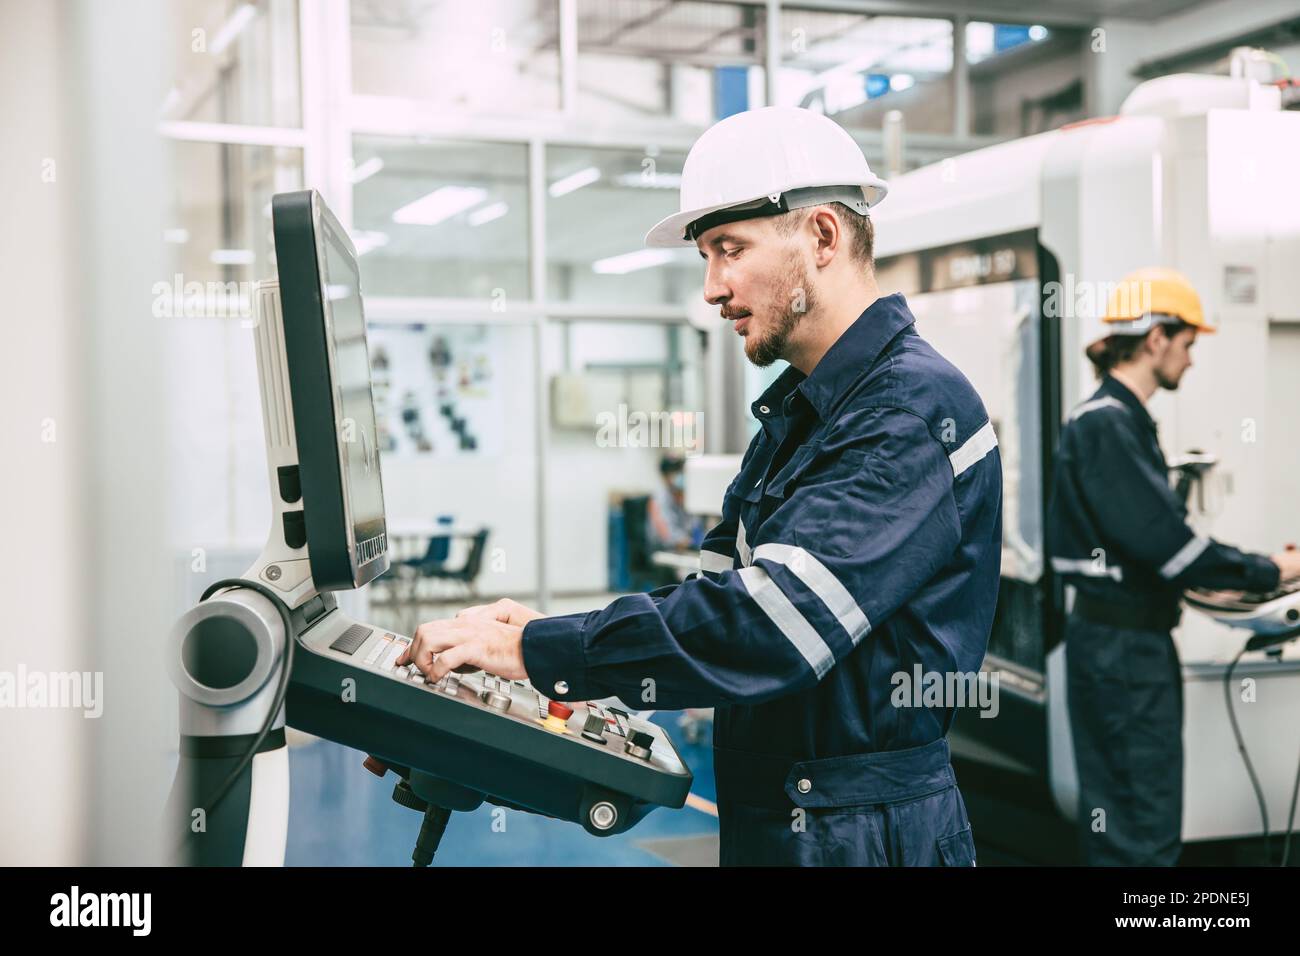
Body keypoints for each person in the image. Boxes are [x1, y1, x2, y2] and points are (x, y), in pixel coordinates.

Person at [398, 106, 1003, 866]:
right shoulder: (801, 414)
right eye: (706, 257)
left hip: (862, 831)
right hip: (794, 812)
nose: (713, 287)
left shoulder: (905, 412)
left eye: (729, 249)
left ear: (822, 236)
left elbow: (772, 625)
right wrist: (545, 637)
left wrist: (539, 651)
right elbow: (716, 600)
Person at [1046, 267, 1300, 866]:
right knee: (1140, 827)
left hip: (1116, 645)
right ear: (1155, 338)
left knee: (1126, 819)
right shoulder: (1108, 424)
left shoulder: (1113, 420)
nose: (1190, 360)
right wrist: (1273, 570)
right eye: (1187, 345)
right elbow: (1171, 549)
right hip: (1124, 654)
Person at [645, 456, 698, 554]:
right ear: (664, 477)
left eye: (681, 471)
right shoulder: (659, 499)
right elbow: (667, 535)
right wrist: (690, 542)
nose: (680, 475)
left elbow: (694, 526)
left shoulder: (684, 496)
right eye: (675, 472)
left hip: (683, 550)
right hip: (663, 552)